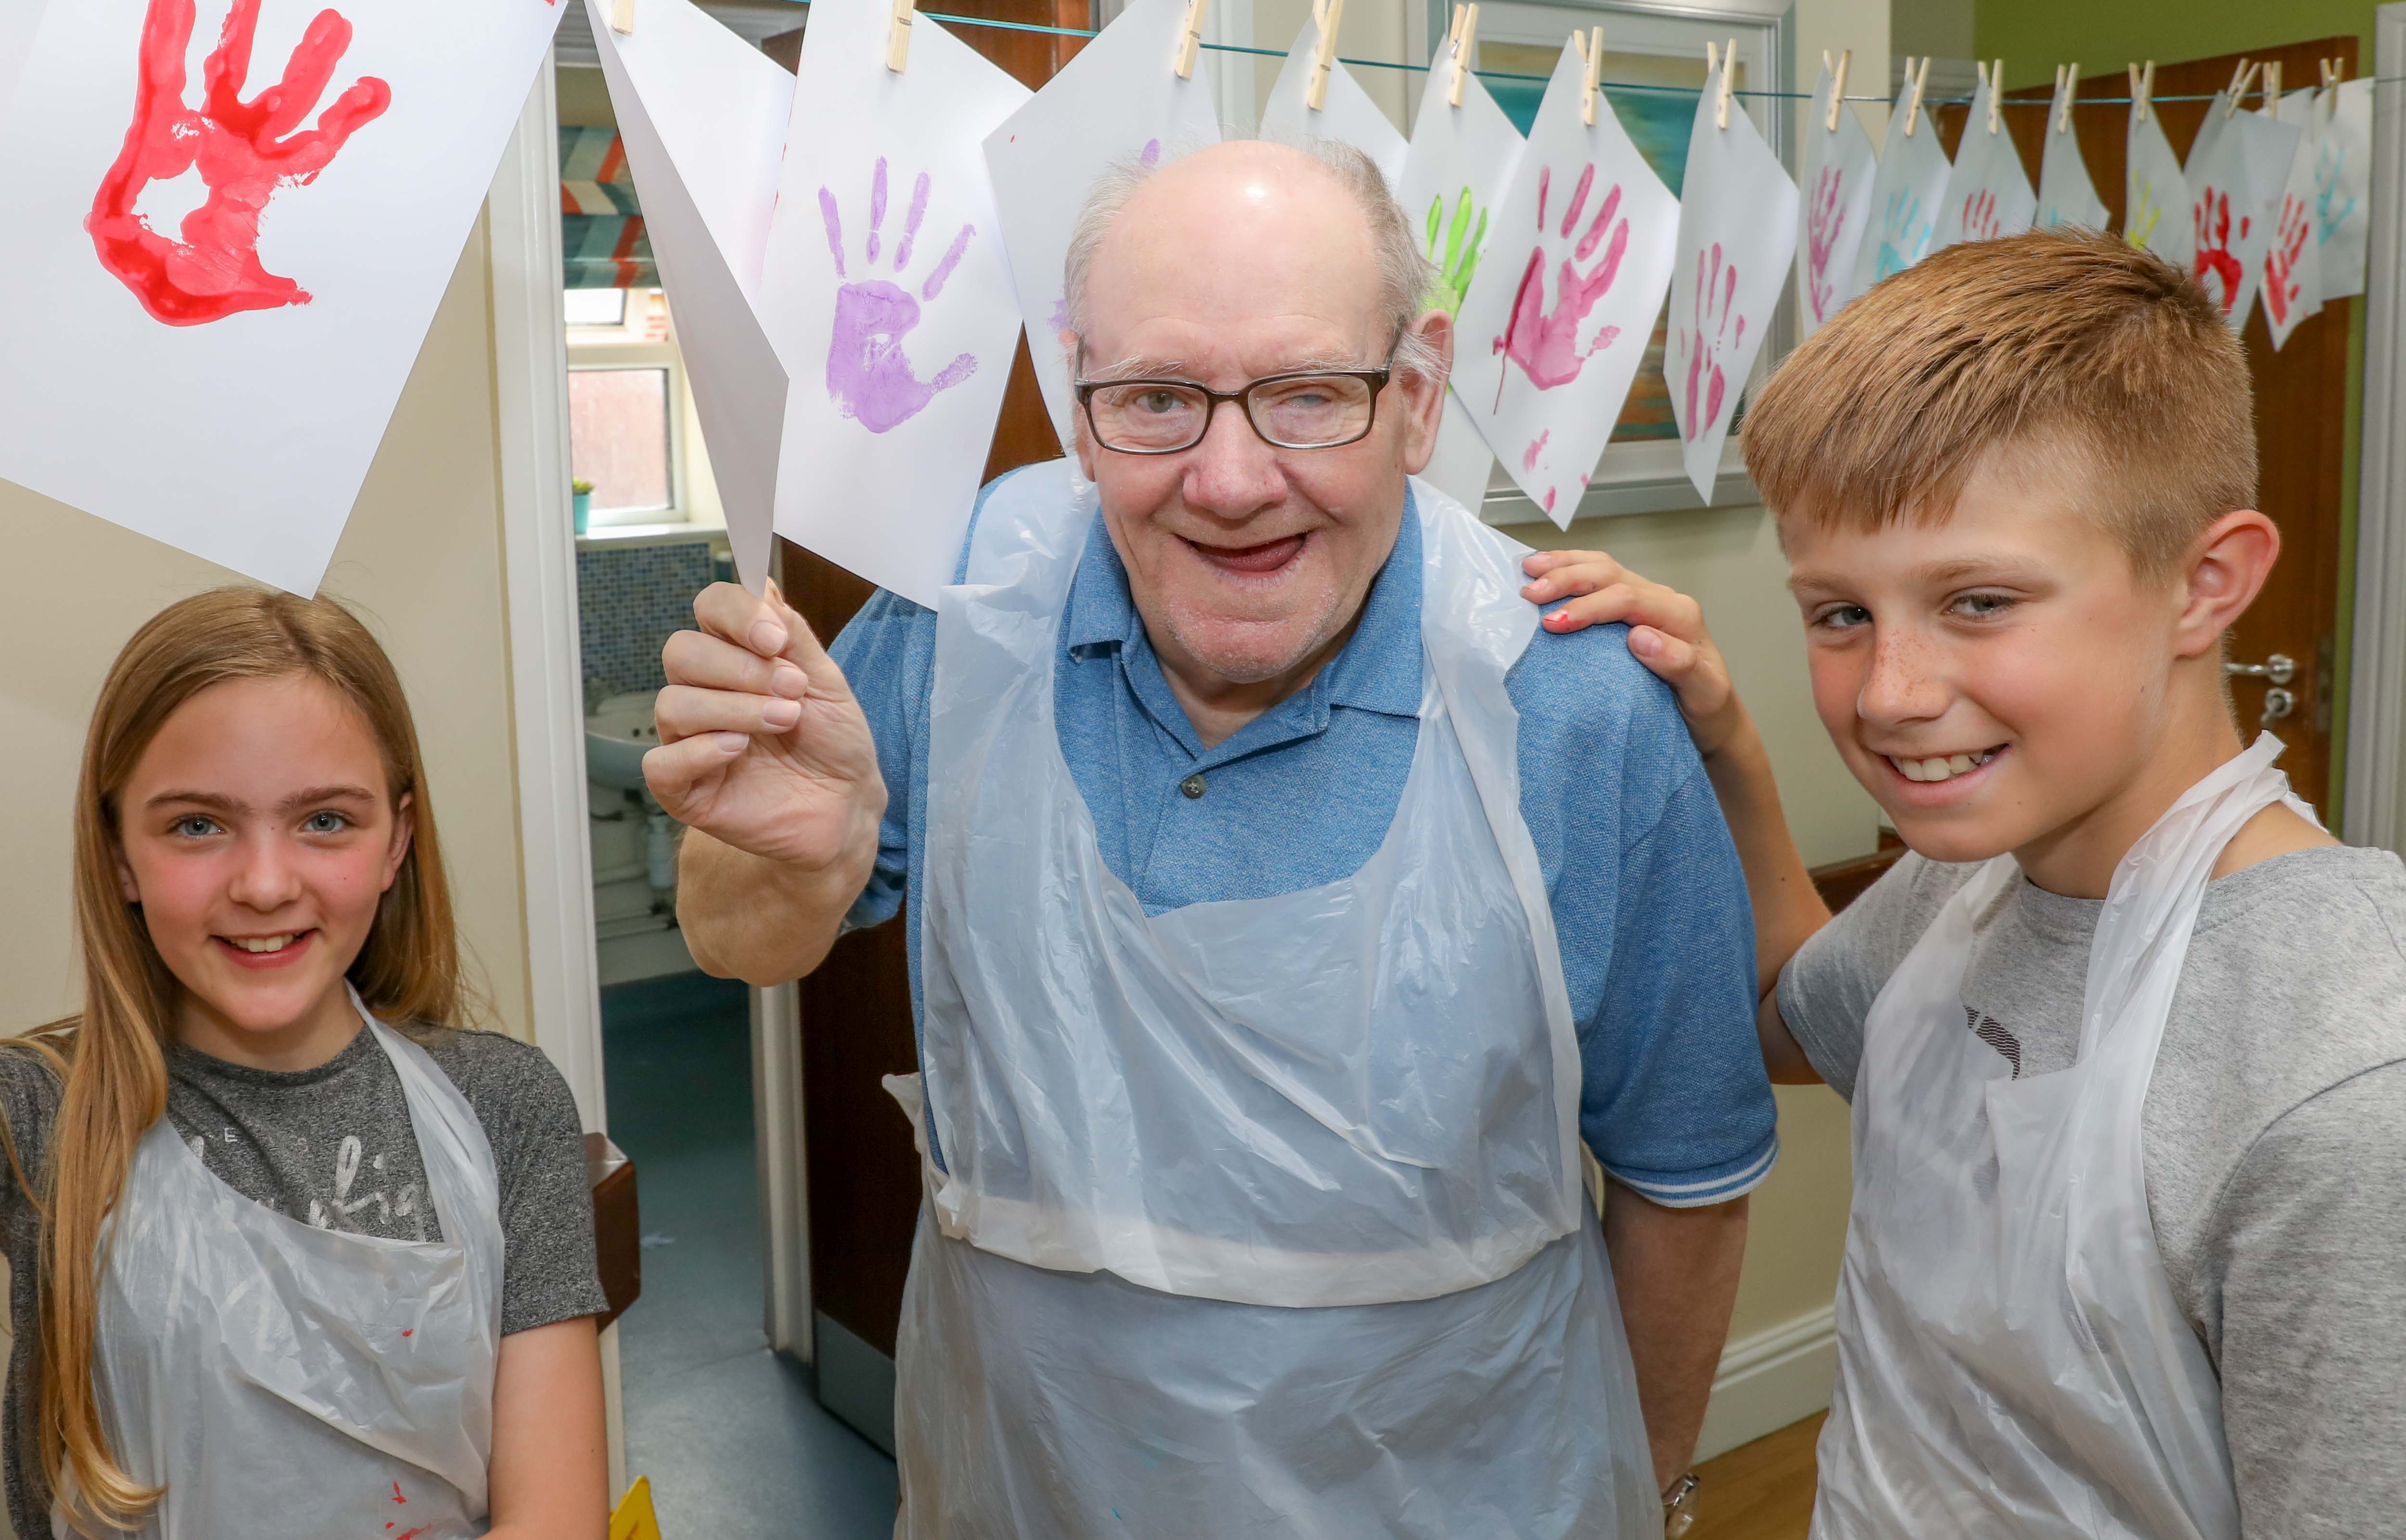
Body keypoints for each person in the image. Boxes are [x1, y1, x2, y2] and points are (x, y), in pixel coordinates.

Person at [645, 140, 1775, 1539]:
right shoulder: (960, 618)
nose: (1230, 480)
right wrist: (790, 863)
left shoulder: (1572, 703)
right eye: (1158, 398)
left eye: (1309, 394)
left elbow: (1686, 1179)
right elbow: (741, 937)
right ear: (1078, 405)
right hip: (1026, 1483)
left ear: (1416, 398)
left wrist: (1645, 1489)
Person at [1525, 230, 2406, 1538]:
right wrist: (1722, 737)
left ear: (2204, 583)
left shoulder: (2341, 1083)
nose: (1890, 692)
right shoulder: (1976, 885)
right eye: (1838, 613)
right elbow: (1784, 1012)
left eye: (1980, 600)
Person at [0, 400, 611, 1540]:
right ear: (120, 854)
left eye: (325, 819)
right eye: (196, 826)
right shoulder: (43, 1119)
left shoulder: (503, 1104)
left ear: (398, 840)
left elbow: (554, 1516)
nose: (266, 881)